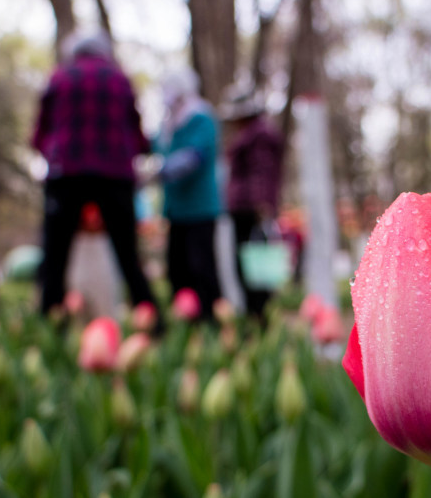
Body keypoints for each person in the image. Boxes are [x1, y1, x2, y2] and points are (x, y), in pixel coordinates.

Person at [31, 30, 161, 327]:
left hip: (67, 173)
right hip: (114, 174)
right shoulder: (119, 79)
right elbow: (138, 134)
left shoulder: (60, 77)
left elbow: (40, 132)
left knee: (56, 257)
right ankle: (152, 322)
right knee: (127, 255)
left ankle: (52, 323)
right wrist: (136, 153)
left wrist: (50, 153)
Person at [153, 68, 222, 321]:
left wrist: (159, 170)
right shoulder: (167, 125)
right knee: (176, 271)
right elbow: (152, 148)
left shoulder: (202, 118)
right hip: (176, 210)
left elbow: (195, 157)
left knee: (201, 268)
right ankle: (185, 321)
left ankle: (211, 320)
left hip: (200, 208)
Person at [219, 84, 284, 319]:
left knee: (253, 267)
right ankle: (254, 314)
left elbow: (262, 172)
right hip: (242, 208)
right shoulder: (251, 134)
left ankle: (259, 316)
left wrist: (262, 205)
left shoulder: (259, 136)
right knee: (247, 266)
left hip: (250, 210)